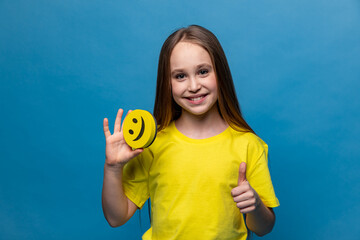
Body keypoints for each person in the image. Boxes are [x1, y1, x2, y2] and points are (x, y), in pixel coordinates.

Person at [102, 25, 279, 240]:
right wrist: (112, 168)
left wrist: (255, 204)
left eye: (203, 71)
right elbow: (116, 217)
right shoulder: (152, 145)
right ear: (167, 83)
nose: (194, 86)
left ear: (220, 73)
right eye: (180, 76)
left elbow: (264, 227)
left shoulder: (249, 144)